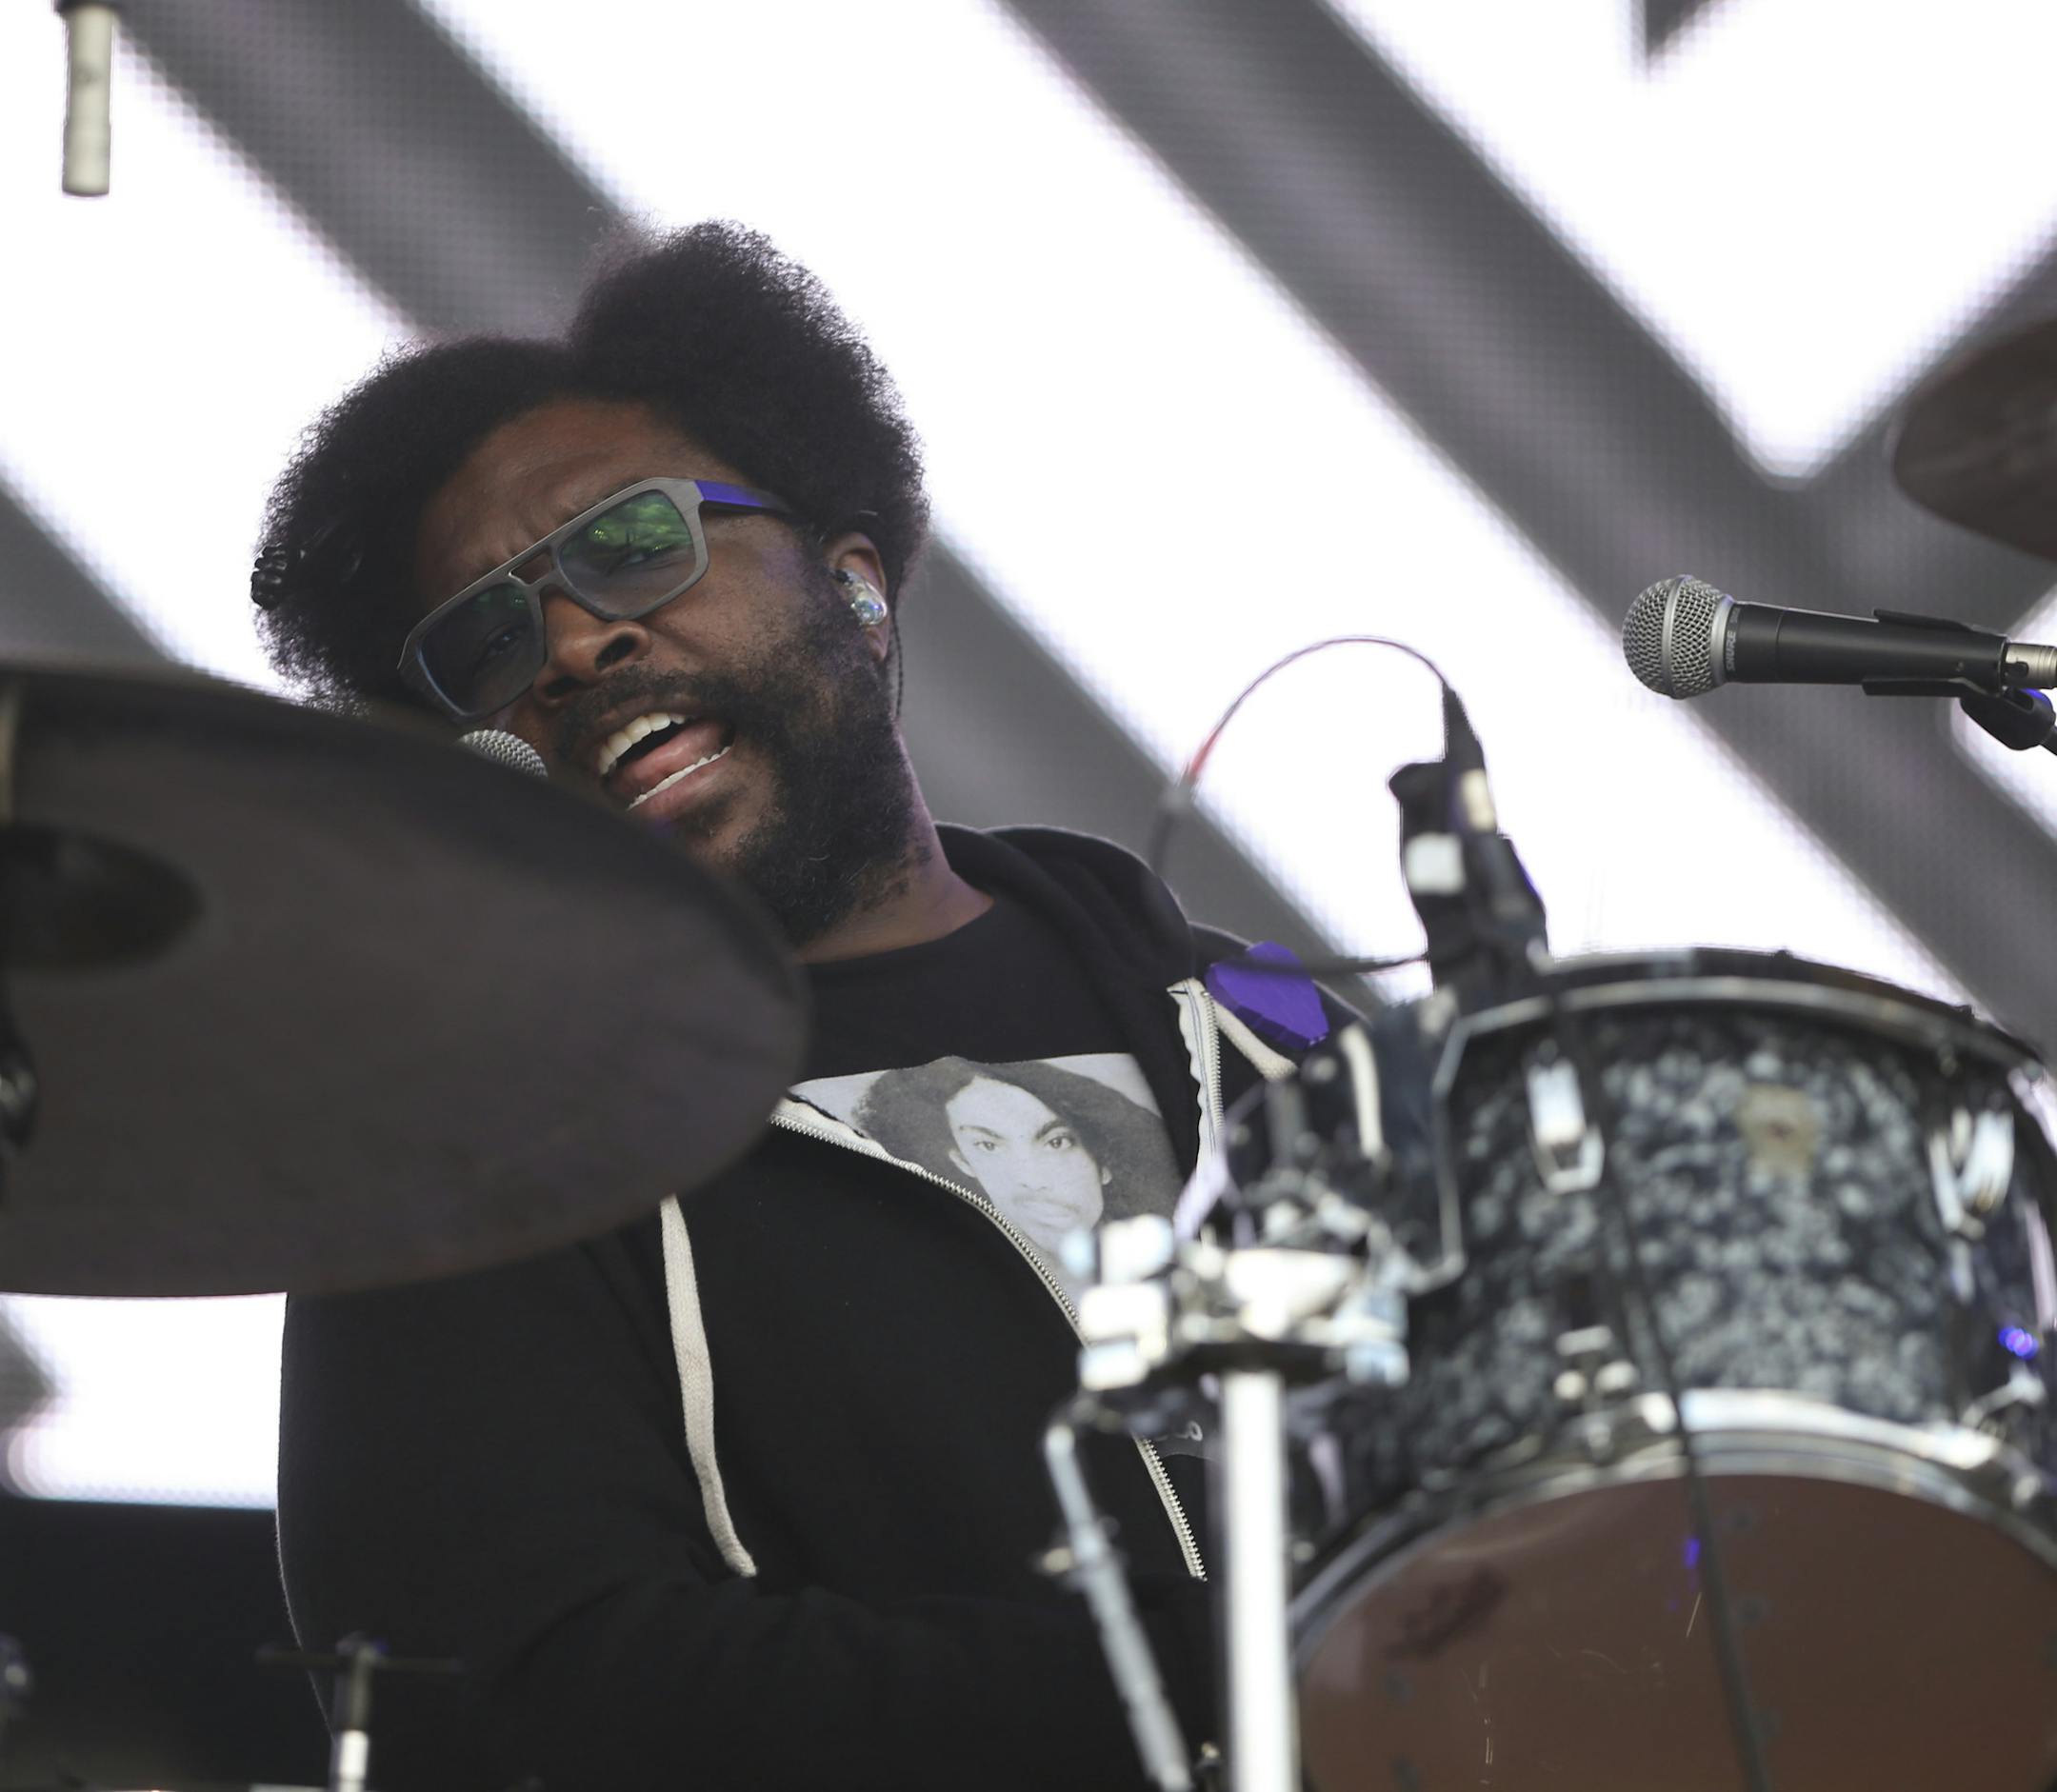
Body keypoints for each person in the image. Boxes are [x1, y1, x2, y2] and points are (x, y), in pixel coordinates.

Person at [258, 221, 1369, 1792]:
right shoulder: (470, 1169)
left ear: (852, 581)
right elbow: (510, 1706)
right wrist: (1234, 1685)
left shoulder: (1291, 1046)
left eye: (633, 544)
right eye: (490, 639)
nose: (574, 642)